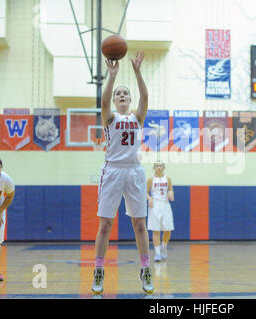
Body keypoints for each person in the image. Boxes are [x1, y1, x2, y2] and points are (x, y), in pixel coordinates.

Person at [91, 51, 154, 294]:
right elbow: (103, 101)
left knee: (140, 225)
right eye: (119, 94)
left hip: (135, 172)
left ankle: (145, 268)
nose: (122, 95)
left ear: (129, 99)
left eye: (125, 93)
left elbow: (145, 96)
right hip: (113, 171)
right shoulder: (110, 117)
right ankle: (98, 269)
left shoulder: (137, 117)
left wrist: (137, 71)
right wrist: (112, 77)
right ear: (116, 101)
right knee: (105, 224)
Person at [147, 161, 175, 262]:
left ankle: (163, 247)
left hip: (165, 204)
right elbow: (145, 192)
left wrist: (171, 193)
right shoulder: (151, 179)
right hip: (155, 205)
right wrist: (149, 198)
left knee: (168, 229)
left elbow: (170, 190)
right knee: (156, 230)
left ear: (163, 167)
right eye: (157, 166)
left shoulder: (168, 179)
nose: (159, 167)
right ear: (154, 168)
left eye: (161, 166)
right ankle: (157, 253)